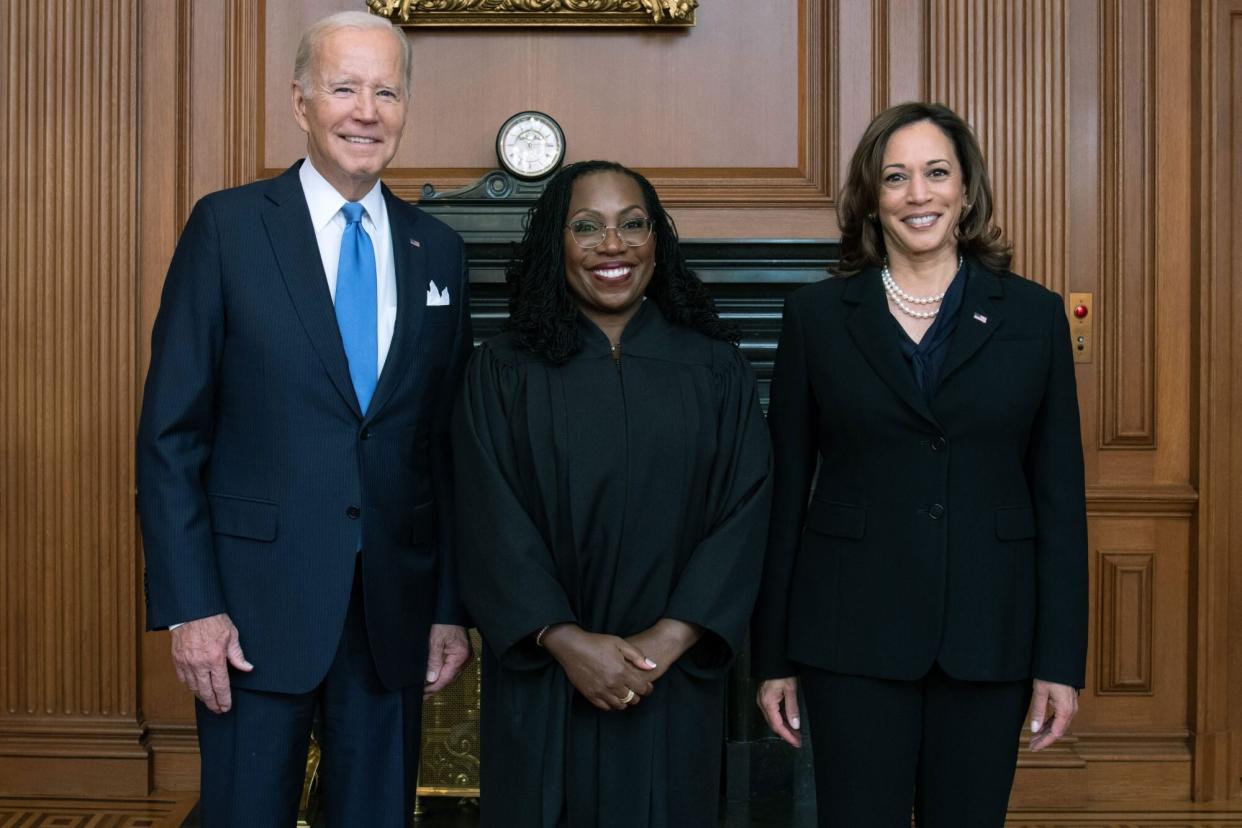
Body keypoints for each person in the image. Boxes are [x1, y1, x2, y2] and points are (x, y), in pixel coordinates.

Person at [136, 11, 472, 826]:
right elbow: (170, 435)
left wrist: (448, 606)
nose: (367, 111)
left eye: (386, 91)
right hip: (249, 614)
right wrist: (192, 606)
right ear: (300, 103)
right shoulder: (228, 228)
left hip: (390, 614)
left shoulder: (440, 250)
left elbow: (447, 450)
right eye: (344, 87)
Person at [751, 102, 1088, 827]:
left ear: (966, 191)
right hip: (849, 633)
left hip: (990, 630)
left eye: (936, 174)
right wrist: (773, 656)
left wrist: (1060, 659)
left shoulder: (1033, 317)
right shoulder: (815, 317)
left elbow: (1060, 498)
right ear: (873, 198)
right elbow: (783, 496)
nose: (918, 194)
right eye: (896, 177)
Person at [452, 160, 772, 827]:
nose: (613, 245)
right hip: (545, 677)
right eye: (587, 226)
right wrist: (565, 639)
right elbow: (487, 515)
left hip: (673, 679)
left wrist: (670, 638)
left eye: (633, 225)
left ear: (658, 239)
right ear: (555, 244)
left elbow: (746, 509)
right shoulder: (504, 370)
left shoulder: (714, 368)